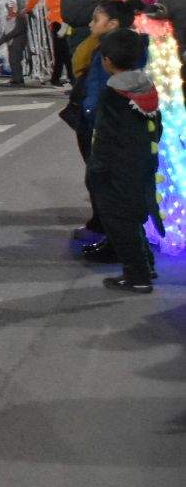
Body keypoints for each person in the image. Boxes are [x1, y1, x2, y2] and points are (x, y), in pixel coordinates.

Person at [85, 28, 159, 293]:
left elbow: (105, 138)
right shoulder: (146, 87)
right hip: (143, 164)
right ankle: (146, 265)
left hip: (116, 171)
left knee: (120, 223)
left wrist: (95, 172)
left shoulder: (113, 94)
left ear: (107, 61)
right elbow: (156, 129)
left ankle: (137, 277)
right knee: (135, 218)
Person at [71, 0, 138, 255]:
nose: (90, 23)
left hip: (100, 126)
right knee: (102, 182)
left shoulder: (109, 53)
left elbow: (99, 92)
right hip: (105, 125)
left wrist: (90, 119)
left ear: (113, 24)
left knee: (103, 182)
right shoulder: (125, 47)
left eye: (96, 19)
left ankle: (115, 243)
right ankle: (105, 230)